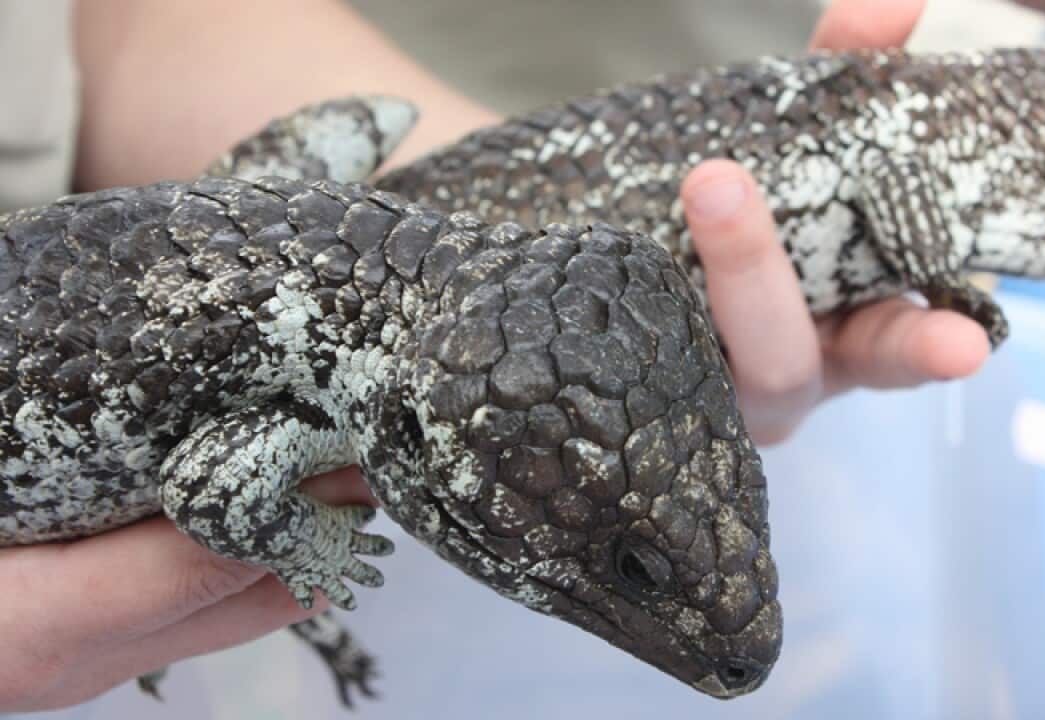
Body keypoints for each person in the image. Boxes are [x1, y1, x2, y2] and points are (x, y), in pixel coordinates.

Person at [0, 0, 989, 710]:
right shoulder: (361, 392)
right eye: (628, 568)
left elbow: (94, 27)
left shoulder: (413, 351)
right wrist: (317, 548)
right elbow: (218, 492)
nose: (731, 661)